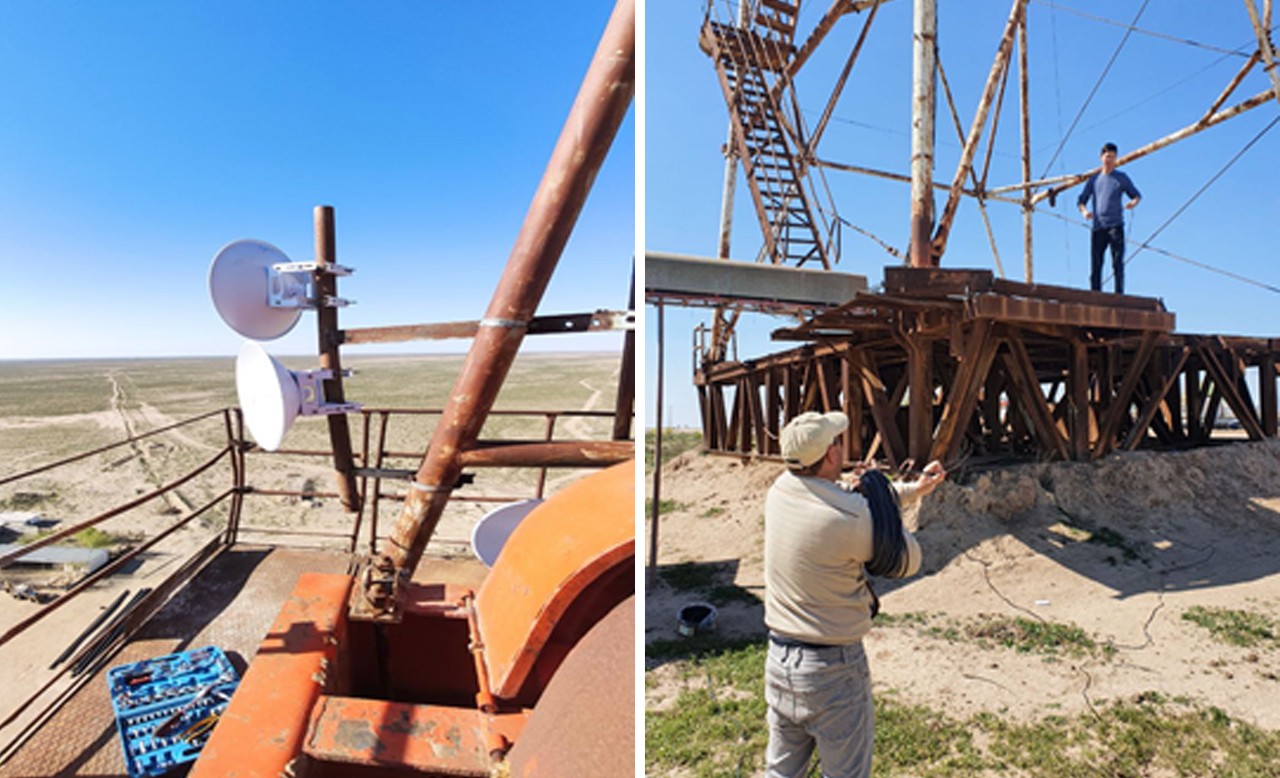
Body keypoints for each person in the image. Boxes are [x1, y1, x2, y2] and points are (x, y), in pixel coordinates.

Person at [763, 411, 946, 778]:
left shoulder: (780, 490)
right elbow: (907, 559)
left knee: (781, 772)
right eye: (837, 441)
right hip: (834, 669)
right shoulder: (851, 517)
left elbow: (842, 496)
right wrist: (880, 496)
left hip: (780, 661)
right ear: (831, 454)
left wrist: (913, 490)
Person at [1077, 142, 1141, 294]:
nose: (1109, 160)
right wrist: (1084, 212)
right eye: (1107, 157)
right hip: (1098, 227)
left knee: (1117, 262)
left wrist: (1133, 203)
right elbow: (1081, 200)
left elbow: (1136, 195)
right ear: (1101, 157)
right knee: (1096, 265)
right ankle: (1095, 294)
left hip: (1115, 226)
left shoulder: (1121, 178)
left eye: (1112, 157)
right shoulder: (1094, 180)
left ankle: (1119, 294)